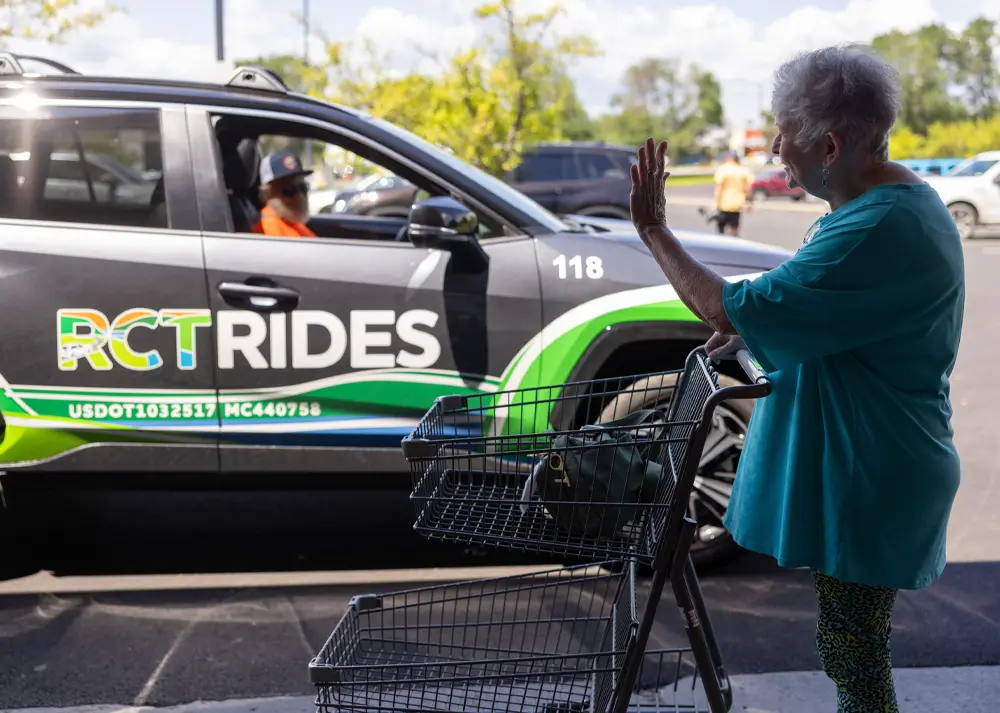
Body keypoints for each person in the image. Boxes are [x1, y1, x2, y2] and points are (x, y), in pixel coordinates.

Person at [628, 44, 964, 713]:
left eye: (784, 133)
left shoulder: (877, 228)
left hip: (874, 475)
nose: (776, 147)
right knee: (851, 641)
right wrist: (753, 329)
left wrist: (654, 230)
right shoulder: (879, 209)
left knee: (852, 647)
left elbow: (728, 303)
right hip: (872, 466)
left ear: (831, 144)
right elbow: (818, 313)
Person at [252, 151, 317, 238]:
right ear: (266, 195)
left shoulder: (291, 221)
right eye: (288, 190)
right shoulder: (268, 228)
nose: (299, 196)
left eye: (303, 187)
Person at [712, 151, 752, 236]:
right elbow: (747, 188)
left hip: (724, 203)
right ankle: (733, 242)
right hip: (737, 204)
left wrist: (716, 202)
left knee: (721, 228)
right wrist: (749, 203)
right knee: (734, 227)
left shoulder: (723, 169)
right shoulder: (742, 170)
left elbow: (719, 187)